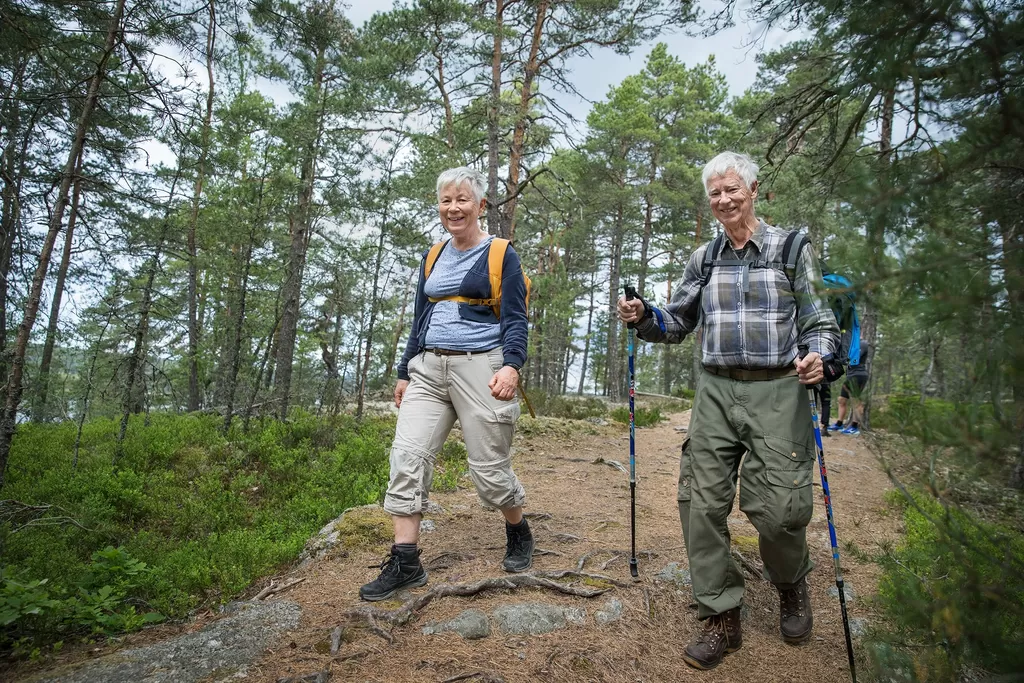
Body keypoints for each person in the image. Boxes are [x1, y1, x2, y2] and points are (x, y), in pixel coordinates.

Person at [618, 151, 840, 670]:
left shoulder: (791, 247)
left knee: (780, 510)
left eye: (732, 189)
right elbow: (677, 321)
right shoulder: (705, 257)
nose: (723, 200)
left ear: (754, 190)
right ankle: (720, 613)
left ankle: (791, 583)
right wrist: (644, 314)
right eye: (714, 193)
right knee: (699, 501)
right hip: (716, 389)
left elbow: (820, 321)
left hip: (779, 389)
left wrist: (820, 357)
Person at [359, 167, 533, 602]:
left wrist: (512, 366)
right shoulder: (433, 255)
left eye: (462, 200)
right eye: (445, 201)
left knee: (490, 471)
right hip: (429, 368)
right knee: (407, 457)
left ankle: (518, 529)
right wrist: (405, 371)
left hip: (482, 368)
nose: (453, 208)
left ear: (481, 205)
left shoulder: (501, 253)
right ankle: (406, 562)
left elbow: (516, 318)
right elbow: (421, 317)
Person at [834, 343, 872, 435]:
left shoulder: (862, 343)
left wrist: (842, 356)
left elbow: (854, 358)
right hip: (850, 376)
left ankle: (854, 427)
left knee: (856, 401)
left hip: (858, 375)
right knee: (842, 399)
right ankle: (839, 424)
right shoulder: (849, 343)